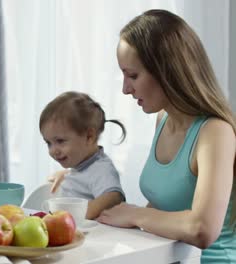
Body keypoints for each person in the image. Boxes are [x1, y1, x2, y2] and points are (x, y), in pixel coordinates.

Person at [96, 9, 236, 263]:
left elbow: (202, 229)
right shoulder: (163, 119)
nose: (126, 89)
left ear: (167, 70)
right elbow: (168, 207)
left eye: (133, 75)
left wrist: (135, 215)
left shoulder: (215, 132)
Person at [40, 91, 126, 219]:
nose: (53, 150)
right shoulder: (81, 165)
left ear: (89, 136)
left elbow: (114, 196)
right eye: (49, 143)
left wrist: (78, 215)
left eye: (60, 141)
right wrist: (66, 174)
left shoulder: (101, 169)